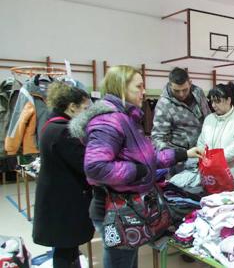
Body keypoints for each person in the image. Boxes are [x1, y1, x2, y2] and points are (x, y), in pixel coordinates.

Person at [69, 65, 195, 268]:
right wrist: (136, 171)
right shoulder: (109, 121)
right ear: (121, 88)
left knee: (127, 261)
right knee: (121, 263)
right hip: (115, 211)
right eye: (138, 86)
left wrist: (183, 154)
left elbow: (147, 158)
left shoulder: (126, 118)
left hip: (129, 210)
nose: (143, 91)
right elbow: (95, 167)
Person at [32, 81, 92, 268]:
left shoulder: (52, 126)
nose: (87, 113)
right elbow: (86, 165)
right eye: (85, 108)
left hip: (57, 199)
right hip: (63, 203)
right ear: (72, 107)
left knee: (67, 248)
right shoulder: (63, 131)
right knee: (65, 250)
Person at [189, 82, 234, 193]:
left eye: (217, 101)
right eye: (212, 101)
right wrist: (204, 156)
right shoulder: (209, 118)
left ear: (228, 100)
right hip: (213, 175)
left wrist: (214, 160)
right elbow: (202, 141)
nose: (213, 105)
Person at [151, 67, 210, 154]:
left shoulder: (198, 92)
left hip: (205, 148)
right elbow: (158, 137)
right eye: (176, 91)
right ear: (170, 85)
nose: (181, 94)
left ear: (190, 83)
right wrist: (171, 157)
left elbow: (208, 116)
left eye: (185, 90)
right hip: (182, 157)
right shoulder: (164, 104)